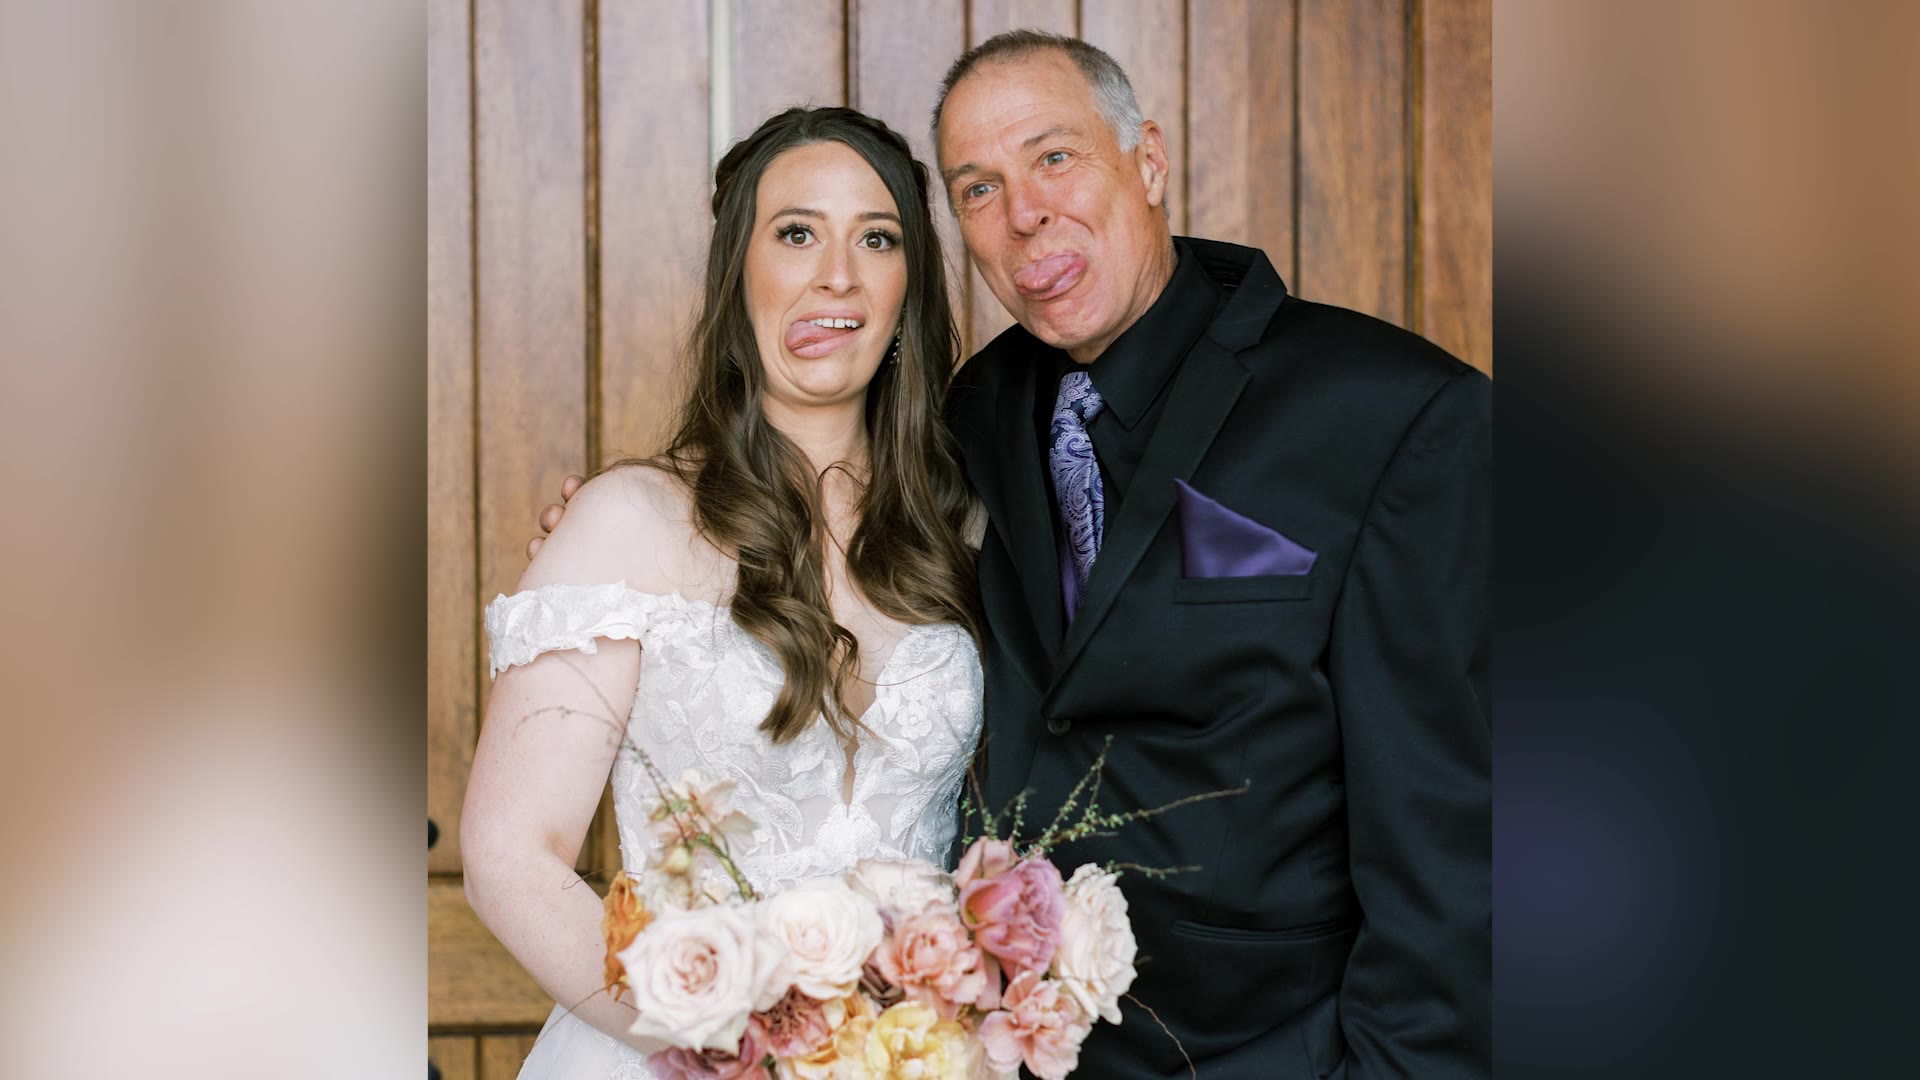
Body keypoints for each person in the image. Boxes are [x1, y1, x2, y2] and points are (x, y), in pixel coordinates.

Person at [537, 30, 1490, 1079]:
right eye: (977, 187)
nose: (1024, 211)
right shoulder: (971, 422)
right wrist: (620, 529)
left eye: (1054, 157)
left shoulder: (1391, 412)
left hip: (1279, 1051)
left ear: (1151, 160)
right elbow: (796, 529)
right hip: (987, 1055)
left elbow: (1448, 842)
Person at [464, 106, 984, 1079]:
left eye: (877, 238)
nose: (838, 271)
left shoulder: (970, 533)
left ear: (908, 287)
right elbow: (510, 855)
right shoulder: (630, 523)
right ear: (739, 275)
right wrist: (730, 1044)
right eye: (797, 233)